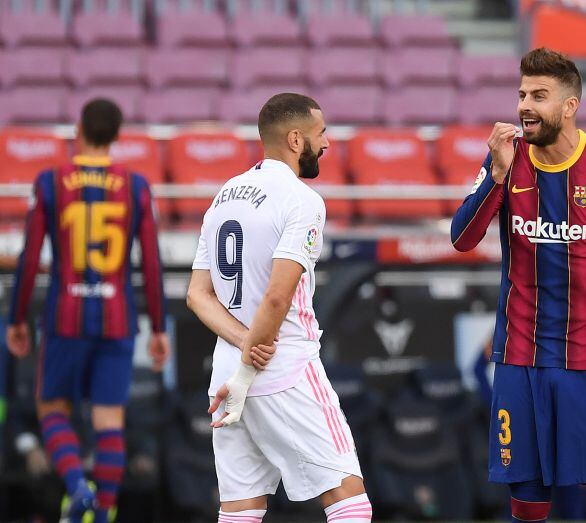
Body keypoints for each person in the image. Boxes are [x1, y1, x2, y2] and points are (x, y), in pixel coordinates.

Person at [450, 47, 586, 523]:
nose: (525, 105)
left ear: (569, 105)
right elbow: (462, 239)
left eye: (539, 96)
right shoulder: (507, 160)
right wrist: (496, 178)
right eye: (522, 93)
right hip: (520, 359)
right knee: (527, 494)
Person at [185, 93, 371, 523]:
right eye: (321, 133)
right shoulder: (303, 200)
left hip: (227, 377)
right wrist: (252, 363)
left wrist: (242, 351)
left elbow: (197, 294)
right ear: (295, 139)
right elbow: (276, 296)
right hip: (283, 368)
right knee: (349, 499)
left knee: (239, 509)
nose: (327, 143)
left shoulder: (225, 195)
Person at [5, 98, 170, 523]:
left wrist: (16, 318)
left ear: (78, 129)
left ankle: (79, 489)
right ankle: (104, 511)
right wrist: (157, 326)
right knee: (109, 419)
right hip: (118, 318)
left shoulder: (49, 181)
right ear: (117, 136)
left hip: (65, 316)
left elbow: (29, 257)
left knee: (52, 408)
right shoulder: (137, 186)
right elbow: (150, 261)